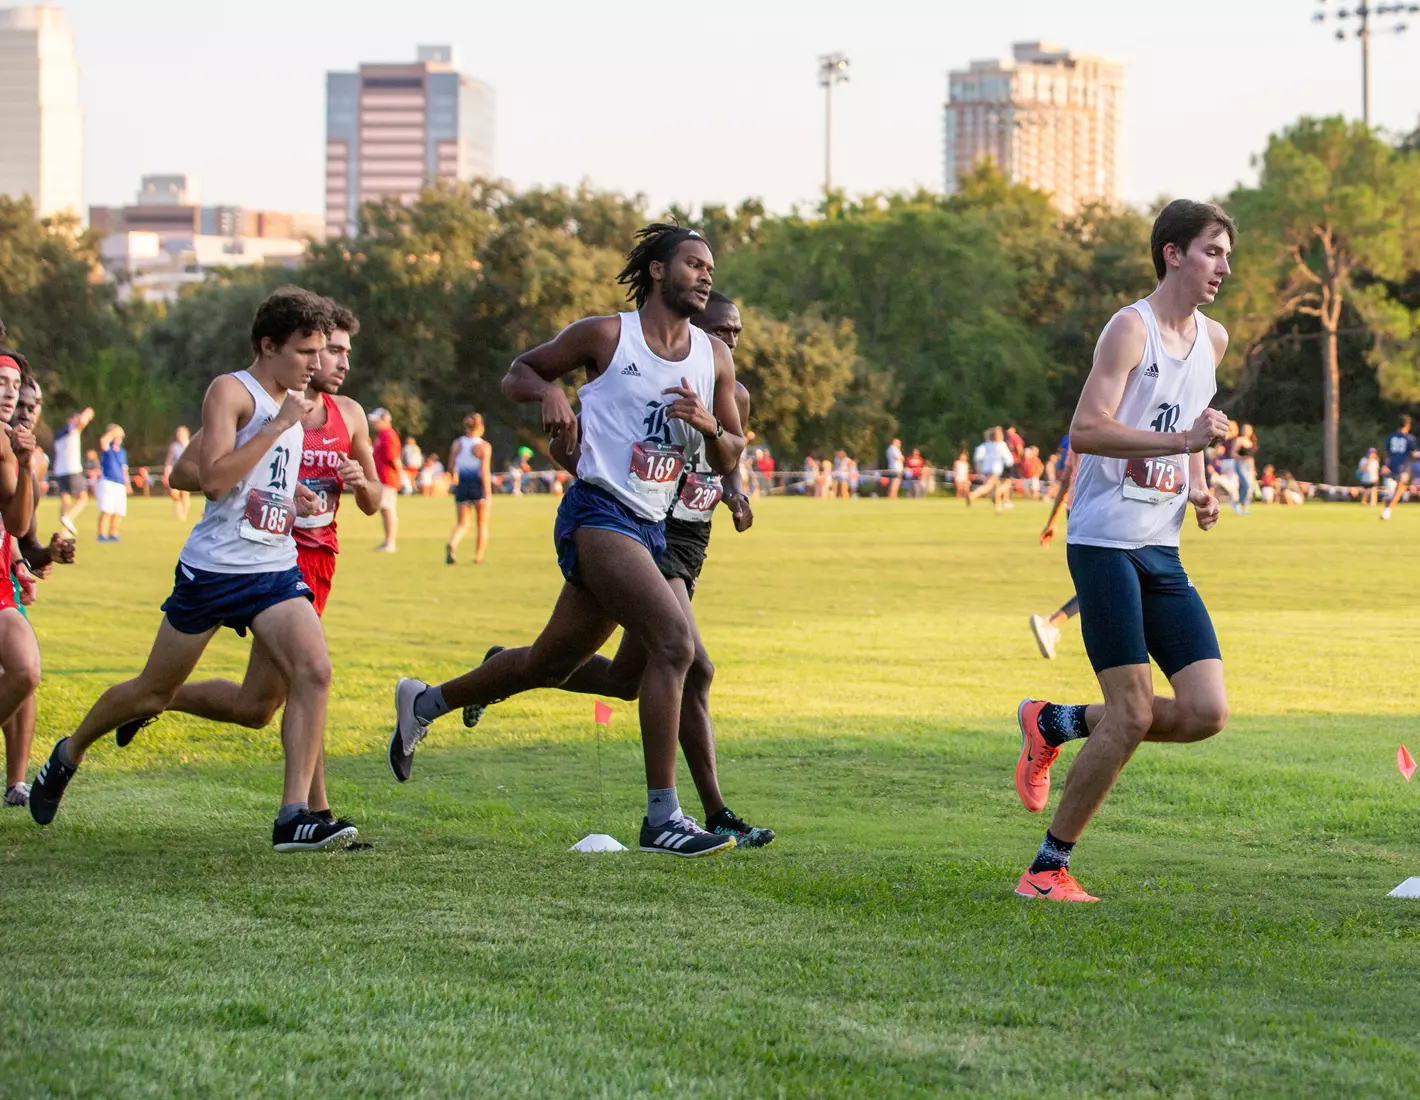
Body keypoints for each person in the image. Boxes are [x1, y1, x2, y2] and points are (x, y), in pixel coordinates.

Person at [387, 223, 746, 858]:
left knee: (553, 664)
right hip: (599, 514)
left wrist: (710, 422)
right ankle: (663, 817)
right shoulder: (606, 336)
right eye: (694, 264)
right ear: (659, 272)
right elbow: (518, 373)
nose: (706, 275)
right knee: (675, 644)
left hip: (654, 527)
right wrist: (550, 390)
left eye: (710, 267)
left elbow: (728, 455)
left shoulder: (714, 357)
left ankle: (426, 702)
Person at [27, 287, 357, 851]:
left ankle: (294, 817)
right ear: (269, 345)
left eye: (320, 351)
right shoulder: (234, 392)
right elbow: (204, 478)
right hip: (213, 572)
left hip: (273, 569)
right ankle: (69, 751)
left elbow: (252, 479)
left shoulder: (291, 405)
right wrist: (277, 427)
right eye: (306, 351)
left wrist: (289, 492)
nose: (316, 363)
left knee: (315, 671)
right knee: (152, 691)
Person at [1013, 198, 1234, 903]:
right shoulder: (1129, 330)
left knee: (1205, 712)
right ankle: (1046, 870)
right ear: (1172, 253)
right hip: (1104, 543)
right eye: (1211, 251)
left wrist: (1197, 487)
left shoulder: (1214, 340)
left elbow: (1192, 425)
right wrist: (1181, 447)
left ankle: (1056, 722)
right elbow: (1086, 429)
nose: (1223, 266)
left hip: (1160, 552)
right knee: (1134, 713)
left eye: (1226, 254)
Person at [525, 289, 772, 847]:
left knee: (623, 680)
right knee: (691, 661)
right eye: (722, 330)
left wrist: (735, 493)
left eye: (736, 331)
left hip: (691, 537)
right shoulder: (648, 368)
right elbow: (602, 449)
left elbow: (729, 454)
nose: (730, 340)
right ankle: (709, 811)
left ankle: (511, 670)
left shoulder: (731, 388)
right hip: (650, 530)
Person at [122, 303, 382, 830]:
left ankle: (158, 701)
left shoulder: (349, 415)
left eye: (339, 353)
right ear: (293, 348)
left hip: (317, 560)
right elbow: (187, 472)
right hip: (258, 559)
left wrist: (359, 481)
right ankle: (312, 813)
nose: (336, 362)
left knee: (257, 707)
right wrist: (261, 489)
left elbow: (375, 500)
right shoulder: (264, 402)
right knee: (309, 674)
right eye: (328, 350)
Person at [0, 353, 45, 807]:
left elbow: (12, 523)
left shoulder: (12, 442)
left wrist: (18, 562)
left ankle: (16, 780)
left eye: (15, 384)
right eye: (2, 382)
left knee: (25, 669)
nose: (12, 392)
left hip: (0, 583)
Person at [1030, 444, 1082, 661]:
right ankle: (1051, 623)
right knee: (1110, 582)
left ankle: (1052, 624)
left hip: (1076, 509)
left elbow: (1067, 480)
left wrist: (1052, 521)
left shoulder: (1080, 428)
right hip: (1101, 509)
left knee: (1106, 581)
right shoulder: (1121, 423)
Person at [445, 413, 493, 565]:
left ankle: (452, 544)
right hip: (478, 485)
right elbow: (484, 470)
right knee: (481, 524)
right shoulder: (484, 446)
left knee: (462, 523)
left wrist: (453, 481)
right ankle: (478, 557)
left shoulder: (457, 444)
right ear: (481, 428)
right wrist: (488, 492)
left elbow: (451, 468)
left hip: (462, 484)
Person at [52, 407, 94, 523]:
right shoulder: (71, 429)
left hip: (59, 471)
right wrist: (87, 413)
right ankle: (68, 518)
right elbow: (82, 421)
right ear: (70, 420)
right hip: (72, 469)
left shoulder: (58, 435)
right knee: (83, 498)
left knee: (65, 498)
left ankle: (64, 530)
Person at [369, 407, 401, 550]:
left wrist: (401, 477)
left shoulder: (388, 435)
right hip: (381, 478)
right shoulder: (381, 435)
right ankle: (387, 540)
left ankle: (390, 542)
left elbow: (393, 458)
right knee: (384, 509)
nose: (374, 424)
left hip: (388, 478)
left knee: (388, 509)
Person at [95, 424, 129, 543]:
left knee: (118, 511)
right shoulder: (108, 448)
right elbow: (103, 440)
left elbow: (124, 469)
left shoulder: (122, 452)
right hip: (108, 481)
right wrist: (113, 432)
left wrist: (127, 483)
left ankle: (114, 533)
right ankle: (102, 534)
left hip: (120, 483)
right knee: (107, 510)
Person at [1380, 414, 1416, 521]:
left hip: (1390, 465)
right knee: (1401, 489)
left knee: (1393, 491)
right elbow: (1413, 455)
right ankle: (1387, 511)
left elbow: (1387, 453)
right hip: (1403, 466)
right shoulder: (1410, 438)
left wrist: (1385, 465)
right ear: (1408, 425)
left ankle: (1388, 501)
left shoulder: (1391, 436)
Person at [969, 428, 1013, 512]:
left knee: (995, 485)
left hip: (987, 468)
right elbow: (1008, 458)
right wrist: (1010, 467)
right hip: (997, 469)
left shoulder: (987, 445)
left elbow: (979, 457)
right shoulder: (1001, 445)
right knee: (992, 486)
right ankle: (972, 495)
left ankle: (998, 507)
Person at [163, 426, 192, 520]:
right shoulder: (174, 446)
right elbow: (169, 461)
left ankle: (184, 513)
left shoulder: (191, 444)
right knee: (174, 493)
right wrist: (166, 473)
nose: (179, 436)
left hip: (187, 473)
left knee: (185, 493)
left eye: (181, 434)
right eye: (178, 434)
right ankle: (179, 508)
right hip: (176, 473)